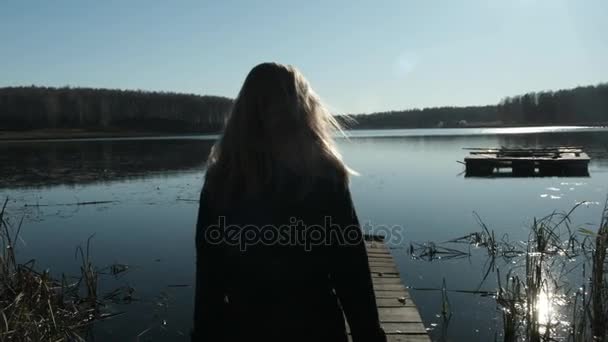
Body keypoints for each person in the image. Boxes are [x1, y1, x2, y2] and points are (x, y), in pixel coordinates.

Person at [192, 62, 386, 342]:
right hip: (317, 327)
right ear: (305, 109)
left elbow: (209, 276)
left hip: (244, 326)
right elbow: (350, 268)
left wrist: (202, 333)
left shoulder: (221, 180)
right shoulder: (323, 175)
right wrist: (368, 334)